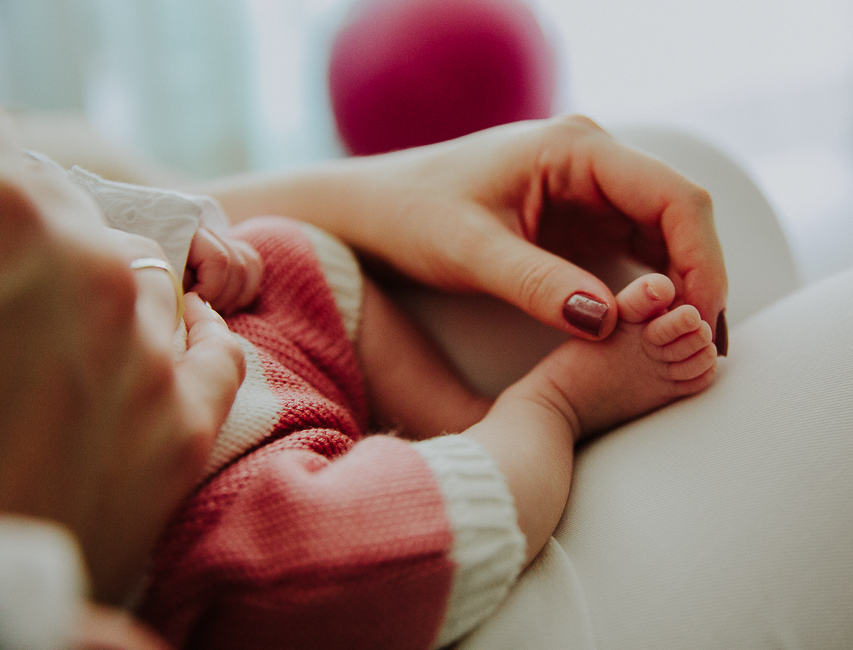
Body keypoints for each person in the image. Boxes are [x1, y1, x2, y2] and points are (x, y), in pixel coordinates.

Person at [0, 111, 727, 649]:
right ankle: (545, 410)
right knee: (353, 542)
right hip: (199, 502)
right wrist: (553, 404)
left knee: (276, 248)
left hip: (228, 321)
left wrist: (177, 233)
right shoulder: (238, 563)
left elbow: (41, 180)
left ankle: (465, 413)